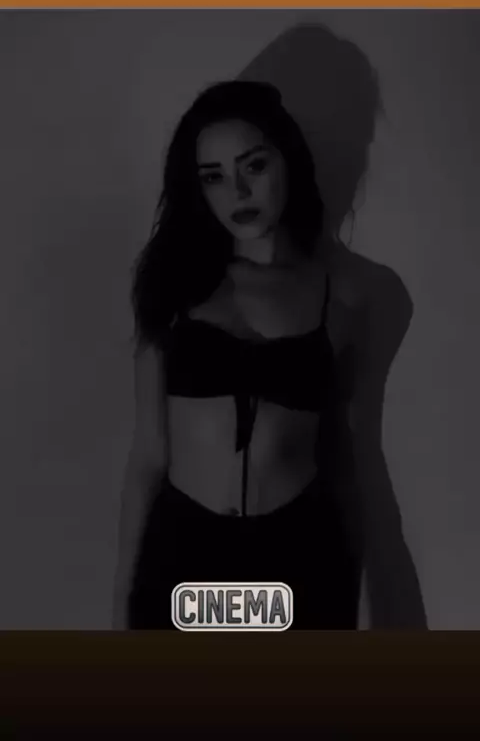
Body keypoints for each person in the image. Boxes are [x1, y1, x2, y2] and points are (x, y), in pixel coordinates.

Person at [112, 78, 416, 630]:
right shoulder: (171, 286)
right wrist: (120, 609)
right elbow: (149, 457)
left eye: (253, 165)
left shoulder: (349, 296)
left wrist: (376, 598)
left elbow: (352, 458)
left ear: (287, 160)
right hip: (183, 551)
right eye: (214, 176)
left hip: (300, 553)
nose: (238, 191)